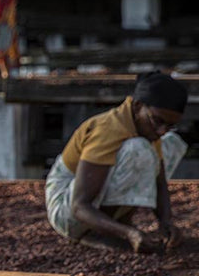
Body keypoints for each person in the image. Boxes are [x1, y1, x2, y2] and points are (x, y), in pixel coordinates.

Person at [45, 72, 188, 253]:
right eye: (158, 121)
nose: (161, 131)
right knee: (138, 150)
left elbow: (160, 182)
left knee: (171, 143)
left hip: (83, 206)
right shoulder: (108, 129)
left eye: (169, 125)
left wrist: (166, 223)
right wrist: (128, 234)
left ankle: (115, 226)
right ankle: (95, 233)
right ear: (137, 106)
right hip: (66, 210)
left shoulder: (147, 128)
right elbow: (79, 206)